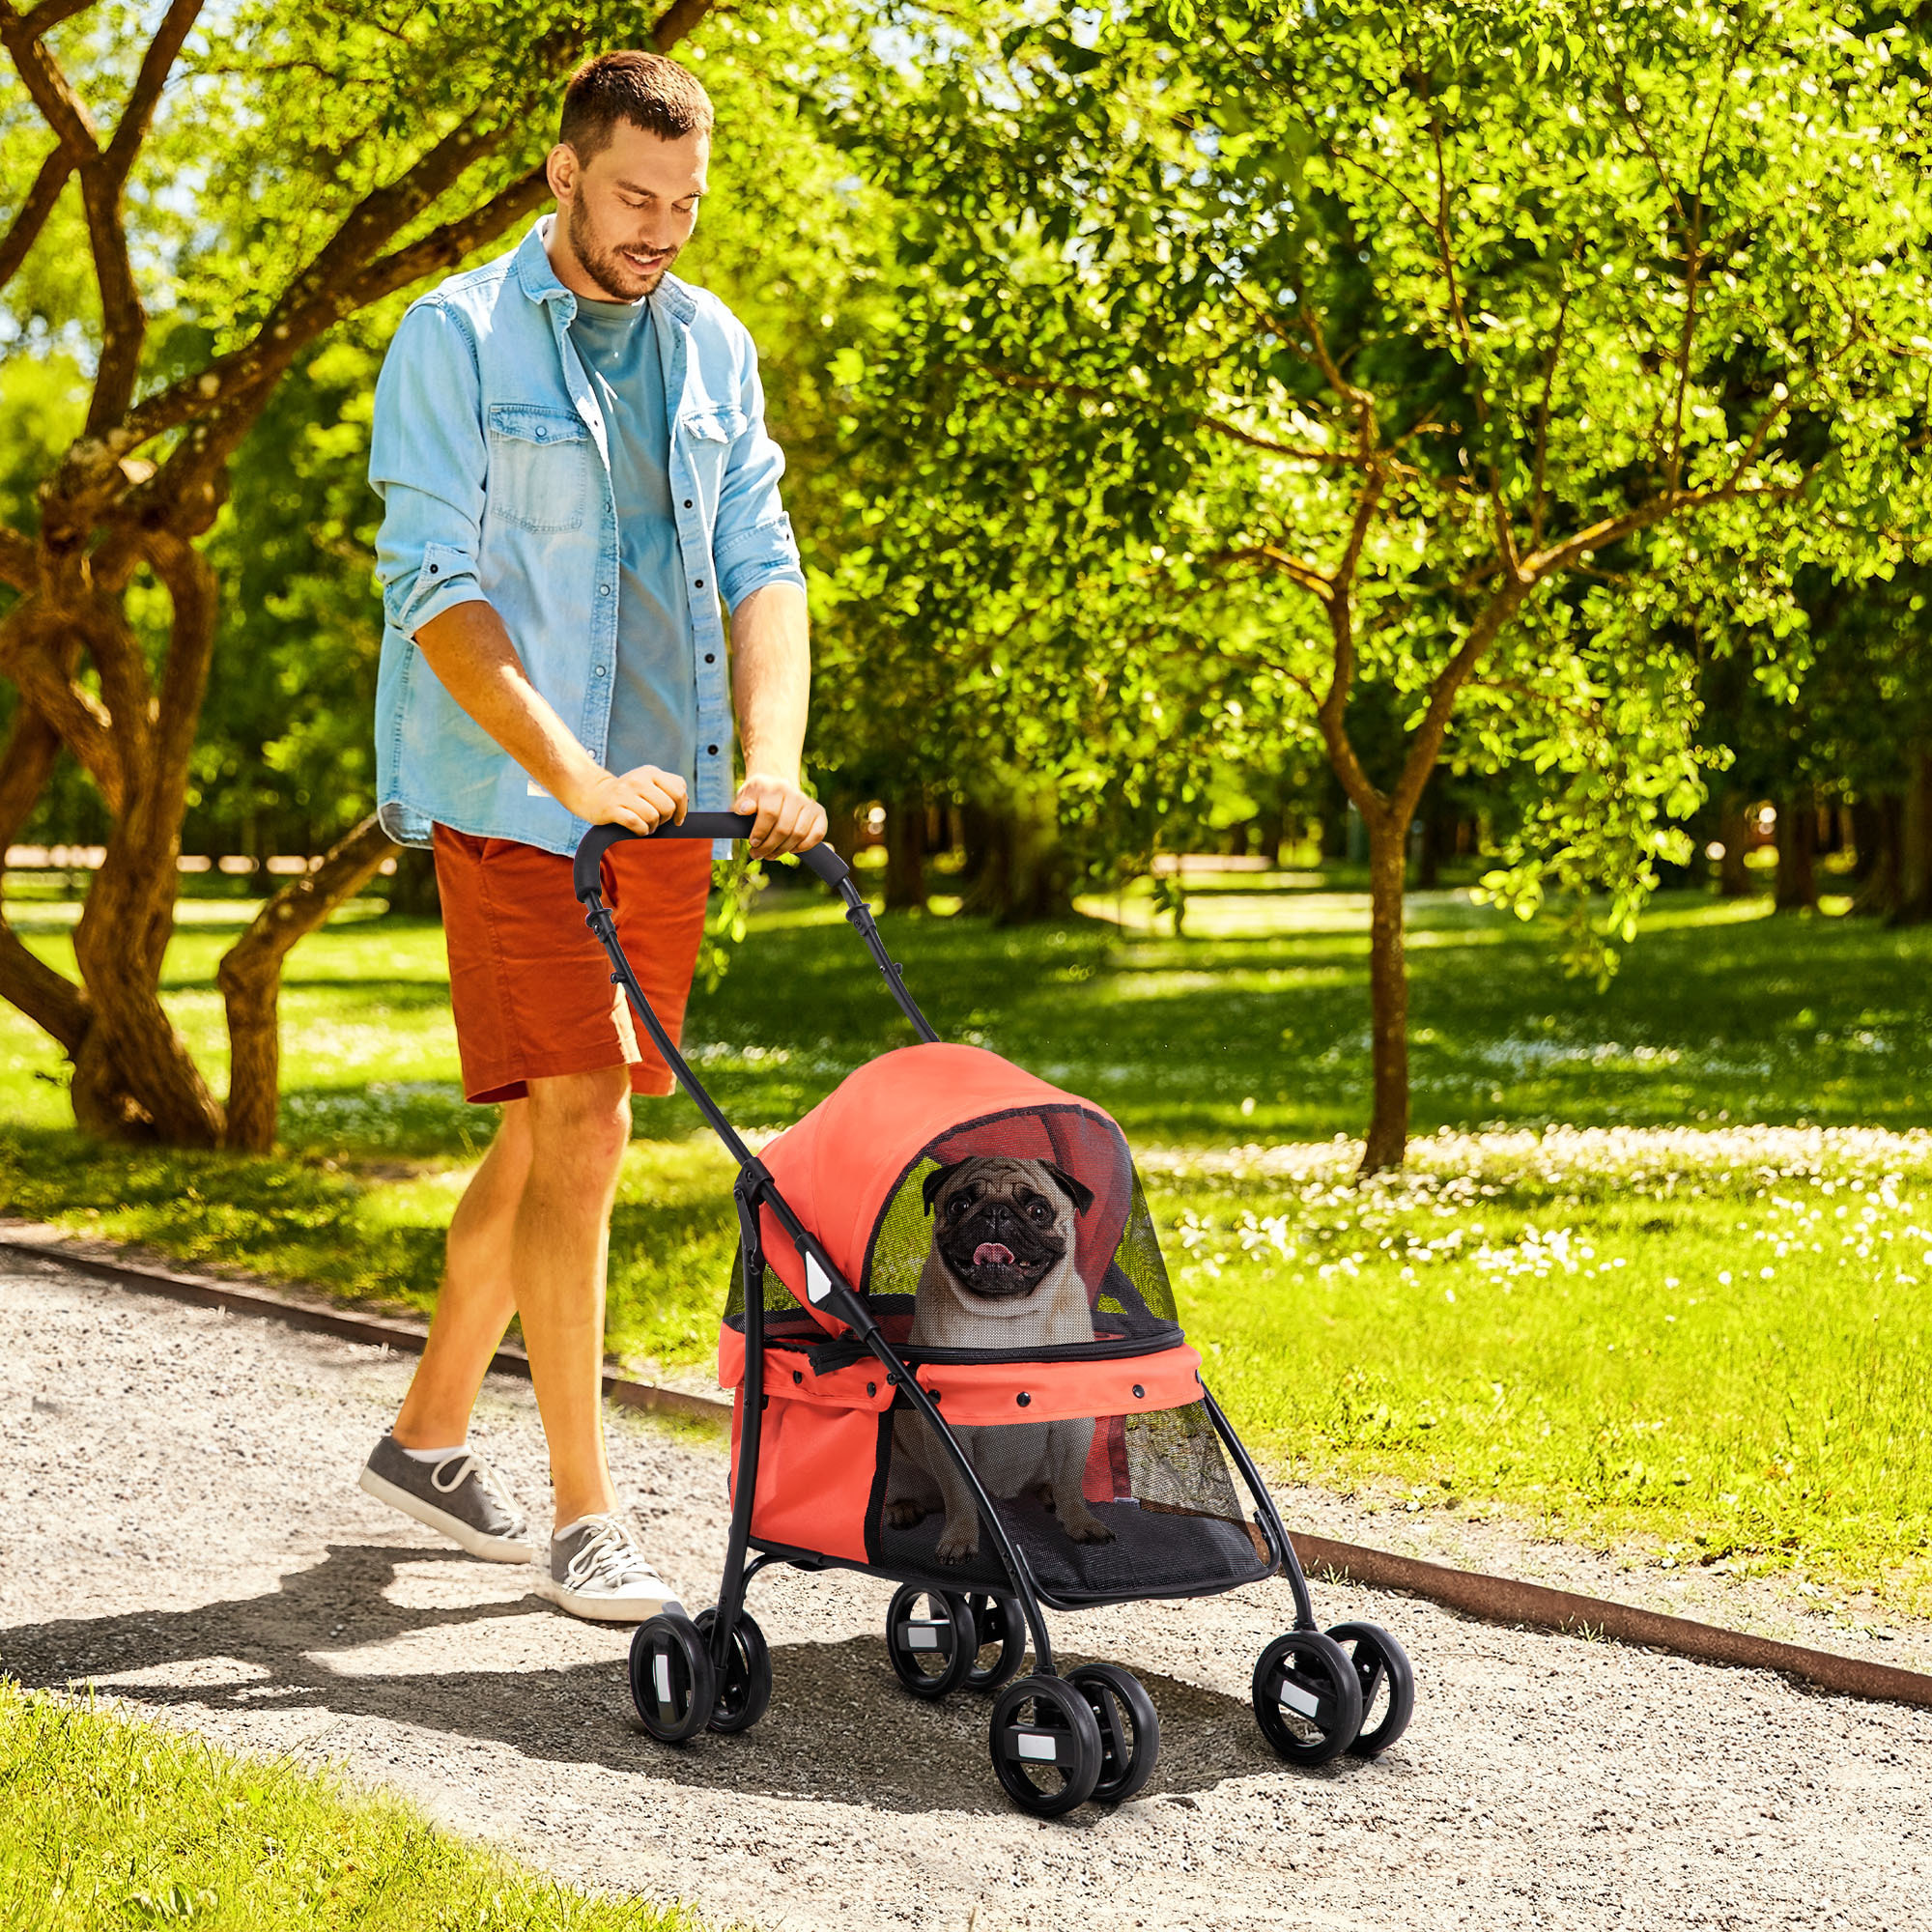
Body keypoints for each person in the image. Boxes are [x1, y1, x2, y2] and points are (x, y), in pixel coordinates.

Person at [356, 49, 827, 1621]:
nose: (662, 231)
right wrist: (567, 773)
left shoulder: (708, 348)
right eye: (636, 197)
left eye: (686, 204)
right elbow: (434, 585)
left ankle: (428, 1438)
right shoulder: (458, 338)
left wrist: (772, 758)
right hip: (516, 803)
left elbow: (762, 555)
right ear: (564, 174)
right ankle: (585, 1511)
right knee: (592, 1127)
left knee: (558, 1122)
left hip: (669, 807)